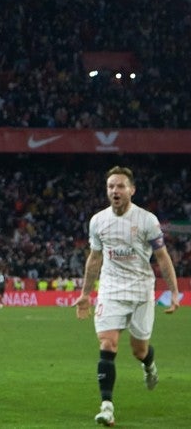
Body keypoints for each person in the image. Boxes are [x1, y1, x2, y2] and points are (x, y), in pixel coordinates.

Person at [73, 166, 180, 427]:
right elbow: (95, 258)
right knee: (107, 344)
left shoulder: (147, 220)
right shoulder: (98, 221)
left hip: (141, 289)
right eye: (111, 186)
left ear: (132, 190)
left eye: (120, 186)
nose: (115, 191)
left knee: (138, 350)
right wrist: (86, 293)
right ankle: (107, 407)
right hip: (110, 289)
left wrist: (174, 292)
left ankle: (149, 365)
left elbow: (162, 257)